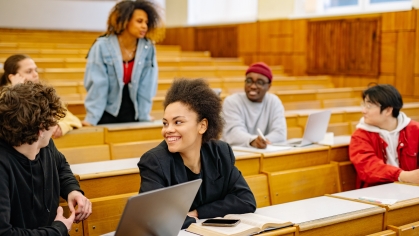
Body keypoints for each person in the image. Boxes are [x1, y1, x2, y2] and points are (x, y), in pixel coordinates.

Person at [138, 79, 256, 229]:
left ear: (202, 126)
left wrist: (198, 213)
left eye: (178, 122)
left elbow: (246, 201)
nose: (168, 130)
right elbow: (155, 217)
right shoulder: (154, 161)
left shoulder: (220, 152)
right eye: (165, 123)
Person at [0, 81, 92, 235]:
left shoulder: (44, 145)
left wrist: (72, 191)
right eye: (53, 119)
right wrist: (58, 229)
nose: (56, 124)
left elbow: (61, 166)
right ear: (40, 129)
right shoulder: (3, 165)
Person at [83, 0, 163, 126]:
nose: (144, 26)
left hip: (133, 111)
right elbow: (98, 85)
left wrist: (144, 115)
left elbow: (147, 86)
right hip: (106, 111)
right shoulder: (101, 46)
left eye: (146, 23)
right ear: (125, 21)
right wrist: (92, 118)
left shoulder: (149, 48)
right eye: (139, 21)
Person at [349, 84, 419, 188]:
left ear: (388, 110)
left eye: (369, 106)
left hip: (411, 189)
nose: (363, 110)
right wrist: (403, 176)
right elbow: (368, 167)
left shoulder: (414, 129)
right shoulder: (360, 135)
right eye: (363, 105)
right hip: (376, 191)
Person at [0, 54, 82, 138]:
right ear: (12, 77)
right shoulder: (3, 99)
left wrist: (62, 126)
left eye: (36, 70)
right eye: (29, 71)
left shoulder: (44, 95)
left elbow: (74, 120)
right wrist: (17, 92)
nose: (35, 74)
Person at [221, 62, 287, 149]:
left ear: (269, 86)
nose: (253, 86)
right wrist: (253, 141)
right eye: (249, 81)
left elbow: (280, 133)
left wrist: (263, 142)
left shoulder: (274, 102)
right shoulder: (232, 101)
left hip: (265, 152)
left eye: (260, 82)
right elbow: (233, 133)